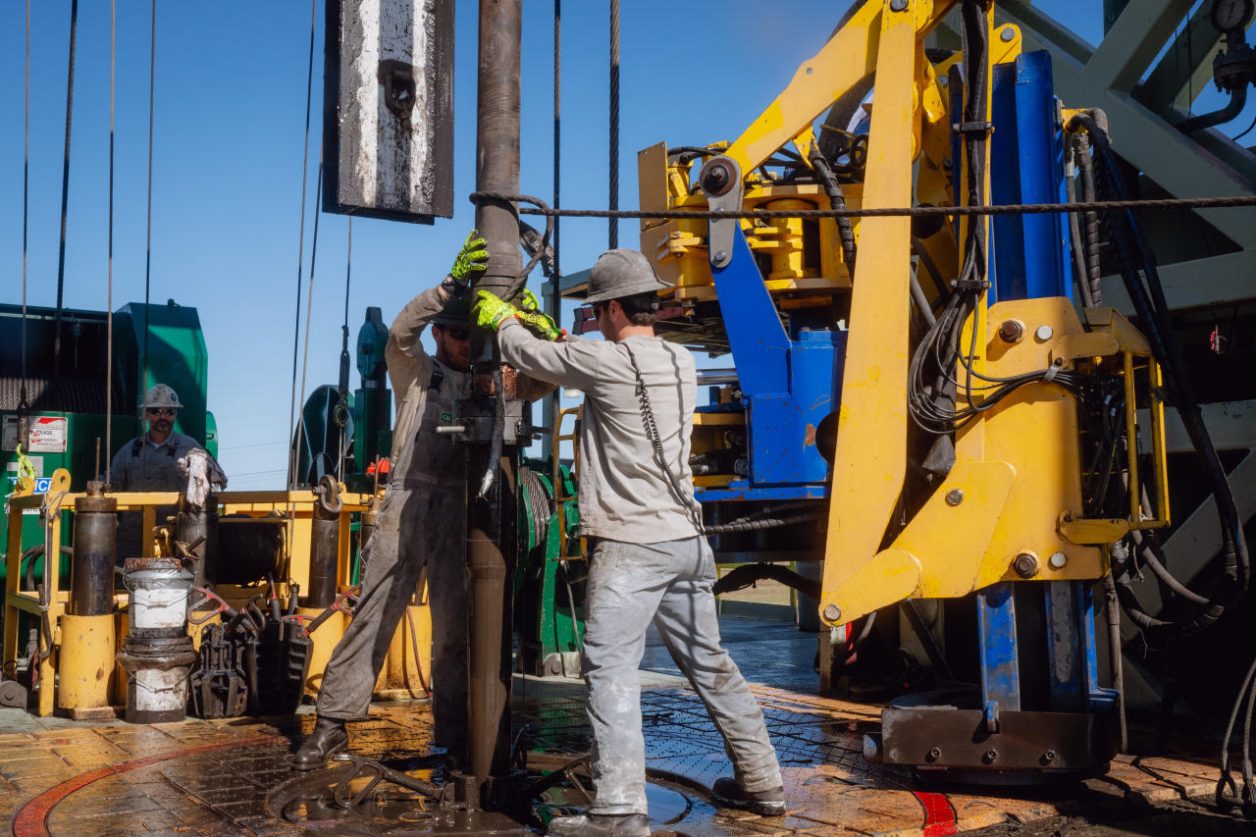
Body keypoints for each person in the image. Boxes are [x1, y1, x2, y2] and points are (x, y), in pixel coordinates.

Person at [474, 249, 786, 837]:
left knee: (611, 671)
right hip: (687, 543)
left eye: (597, 309)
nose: (593, 318)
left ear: (613, 307)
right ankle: (763, 781)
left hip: (631, 547)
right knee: (711, 663)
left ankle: (617, 810)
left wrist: (502, 318)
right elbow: (591, 362)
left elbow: (526, 355)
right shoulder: (681, 359)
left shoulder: (602, 361)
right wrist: (576, 338)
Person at [294, 232, 554, 771]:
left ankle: (456, 737)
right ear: (439, 334)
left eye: (472, 333)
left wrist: (529, 327)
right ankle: (333, 724)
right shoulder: (416, 372)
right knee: (375, 614)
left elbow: (544, 381)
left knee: (455, 629)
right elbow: (398, 331)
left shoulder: (496, 378)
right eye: (457, 333)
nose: (465, 343)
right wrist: (448, 288)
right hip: (408, 504)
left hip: (462, 510)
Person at [108, 383, 225, 557]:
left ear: (175, 416)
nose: (163, 417)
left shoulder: (190, 448)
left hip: (177, 541)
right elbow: (111, 488)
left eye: (169, 412)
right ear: (147, 414)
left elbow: (219, 479)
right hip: (132, 542)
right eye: (156, 411)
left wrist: (204, 466)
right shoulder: (129, 452)